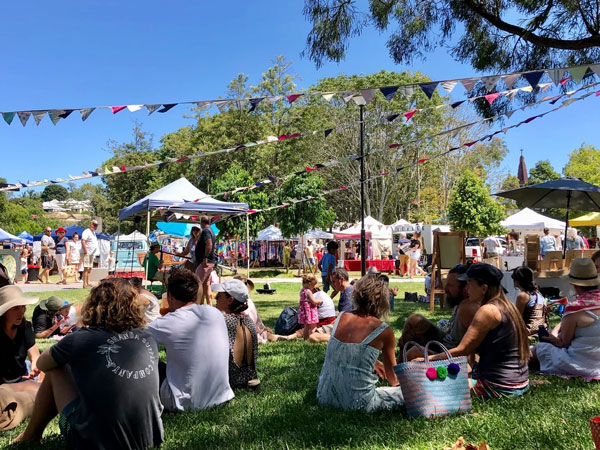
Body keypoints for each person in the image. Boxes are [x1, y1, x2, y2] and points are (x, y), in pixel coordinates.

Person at [15, 278, 164, 448]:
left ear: (93, 304)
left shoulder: (82, 339)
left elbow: (42, 364)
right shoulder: (149, 338)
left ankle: (31, 435)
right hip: (149, 440)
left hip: (92, 443)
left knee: (56, 370)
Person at [425, 263, 530, 399]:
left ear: (484, 288)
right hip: (520, 384)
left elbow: (462, 351)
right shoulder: (508, 307)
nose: (466, 289)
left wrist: (426, 359)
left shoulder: (487, 311)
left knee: (428, 385)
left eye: (469, 284)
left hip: (497, 387)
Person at [147, 269, 234, 411]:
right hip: (221, 396)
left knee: (144, 359)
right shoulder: (215, 313)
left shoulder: (165, 323)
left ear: (170, 297)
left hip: (185, 403)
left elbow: (136, 341)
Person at [317, 274, 404, 411]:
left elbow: (348, 350)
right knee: (407, 393)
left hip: (325, 396)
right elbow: (393, 378)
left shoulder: (341, 317)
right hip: (359, 404)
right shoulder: (383, 330)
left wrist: (373, 363)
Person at [530, 258, 600, 379]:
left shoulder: (575, 307)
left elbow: (564, 343)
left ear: (573, 284)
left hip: (580, 363)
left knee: (538, 349)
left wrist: (552, 337)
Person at [399, 264, 475, 355]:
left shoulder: (467, 308)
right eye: (446, 284)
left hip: (449, 355)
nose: (445, 288)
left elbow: (466, 352)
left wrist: (431, 356)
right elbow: (453, 332)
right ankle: (399, 365)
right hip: (444, 342)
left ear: (464, 288)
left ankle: (399, 367)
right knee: (415, 321)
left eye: (450, 285)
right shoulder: (460, 302)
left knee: (414, 352)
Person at [212, 279, 260, 389]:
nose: (215, 297)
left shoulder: (221, 321)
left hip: (230, 381)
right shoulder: (248, 321)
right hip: (248, 377)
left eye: (220, 295)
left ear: (230, 300)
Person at [0, 286, 41, 391]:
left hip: (22, 379)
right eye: (15, 308)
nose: (21, 312)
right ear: (4, 312)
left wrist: (35, 367)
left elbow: (34, 354)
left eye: (23, 307)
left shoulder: (25, 327)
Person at [511, 266, 548, 335]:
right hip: (542, 332)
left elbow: (518, 319)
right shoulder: (538, 294)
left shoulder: (523, 296)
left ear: (518, 280)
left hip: (528, 334)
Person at [194, 216, 217, 306]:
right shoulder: (211, 230)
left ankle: (198, 305)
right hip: (209, 262)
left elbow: (209, 244)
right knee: (206, 284)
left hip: (206, 262)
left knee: (198, 282)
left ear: (202, 223)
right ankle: (209, 305)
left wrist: (205, 257)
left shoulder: (206, 231)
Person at [298, 274, 322, 340]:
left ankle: (305, 338)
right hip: (310, 312)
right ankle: (312, 337)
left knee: (306, 326)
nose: (313, 287)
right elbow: (313, 301)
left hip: (304, 312)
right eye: (313, 285)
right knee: (313, 326)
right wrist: (319, 301)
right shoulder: (308, 291)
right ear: (309, 284)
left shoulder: (302, 291)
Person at [81, 219, 99, 289]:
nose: (95, 226)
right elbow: (83, 241)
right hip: (86, 252)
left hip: (92, 253)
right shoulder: (86, 232)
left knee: (89, 268)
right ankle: (84, 284)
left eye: (96, 225)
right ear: (90, 224)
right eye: (94, 225)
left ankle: (88, 282)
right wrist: (85, 251)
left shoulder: (93, 233)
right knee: (86, 268)